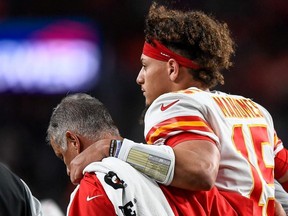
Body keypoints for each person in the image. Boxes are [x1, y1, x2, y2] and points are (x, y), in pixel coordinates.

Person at [69, 2, 288, 215]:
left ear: (172, 69)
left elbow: (200, 170)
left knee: (112, 172)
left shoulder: (175, 104)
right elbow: (282, 176)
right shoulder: (254, 109)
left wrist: (113, 149)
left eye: (145, 66)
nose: (139, 78)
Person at [46, 93, 175, 216]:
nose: (68, 170)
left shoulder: (93, 187)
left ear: (74, 142)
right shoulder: (172, 175)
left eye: (62, 156)